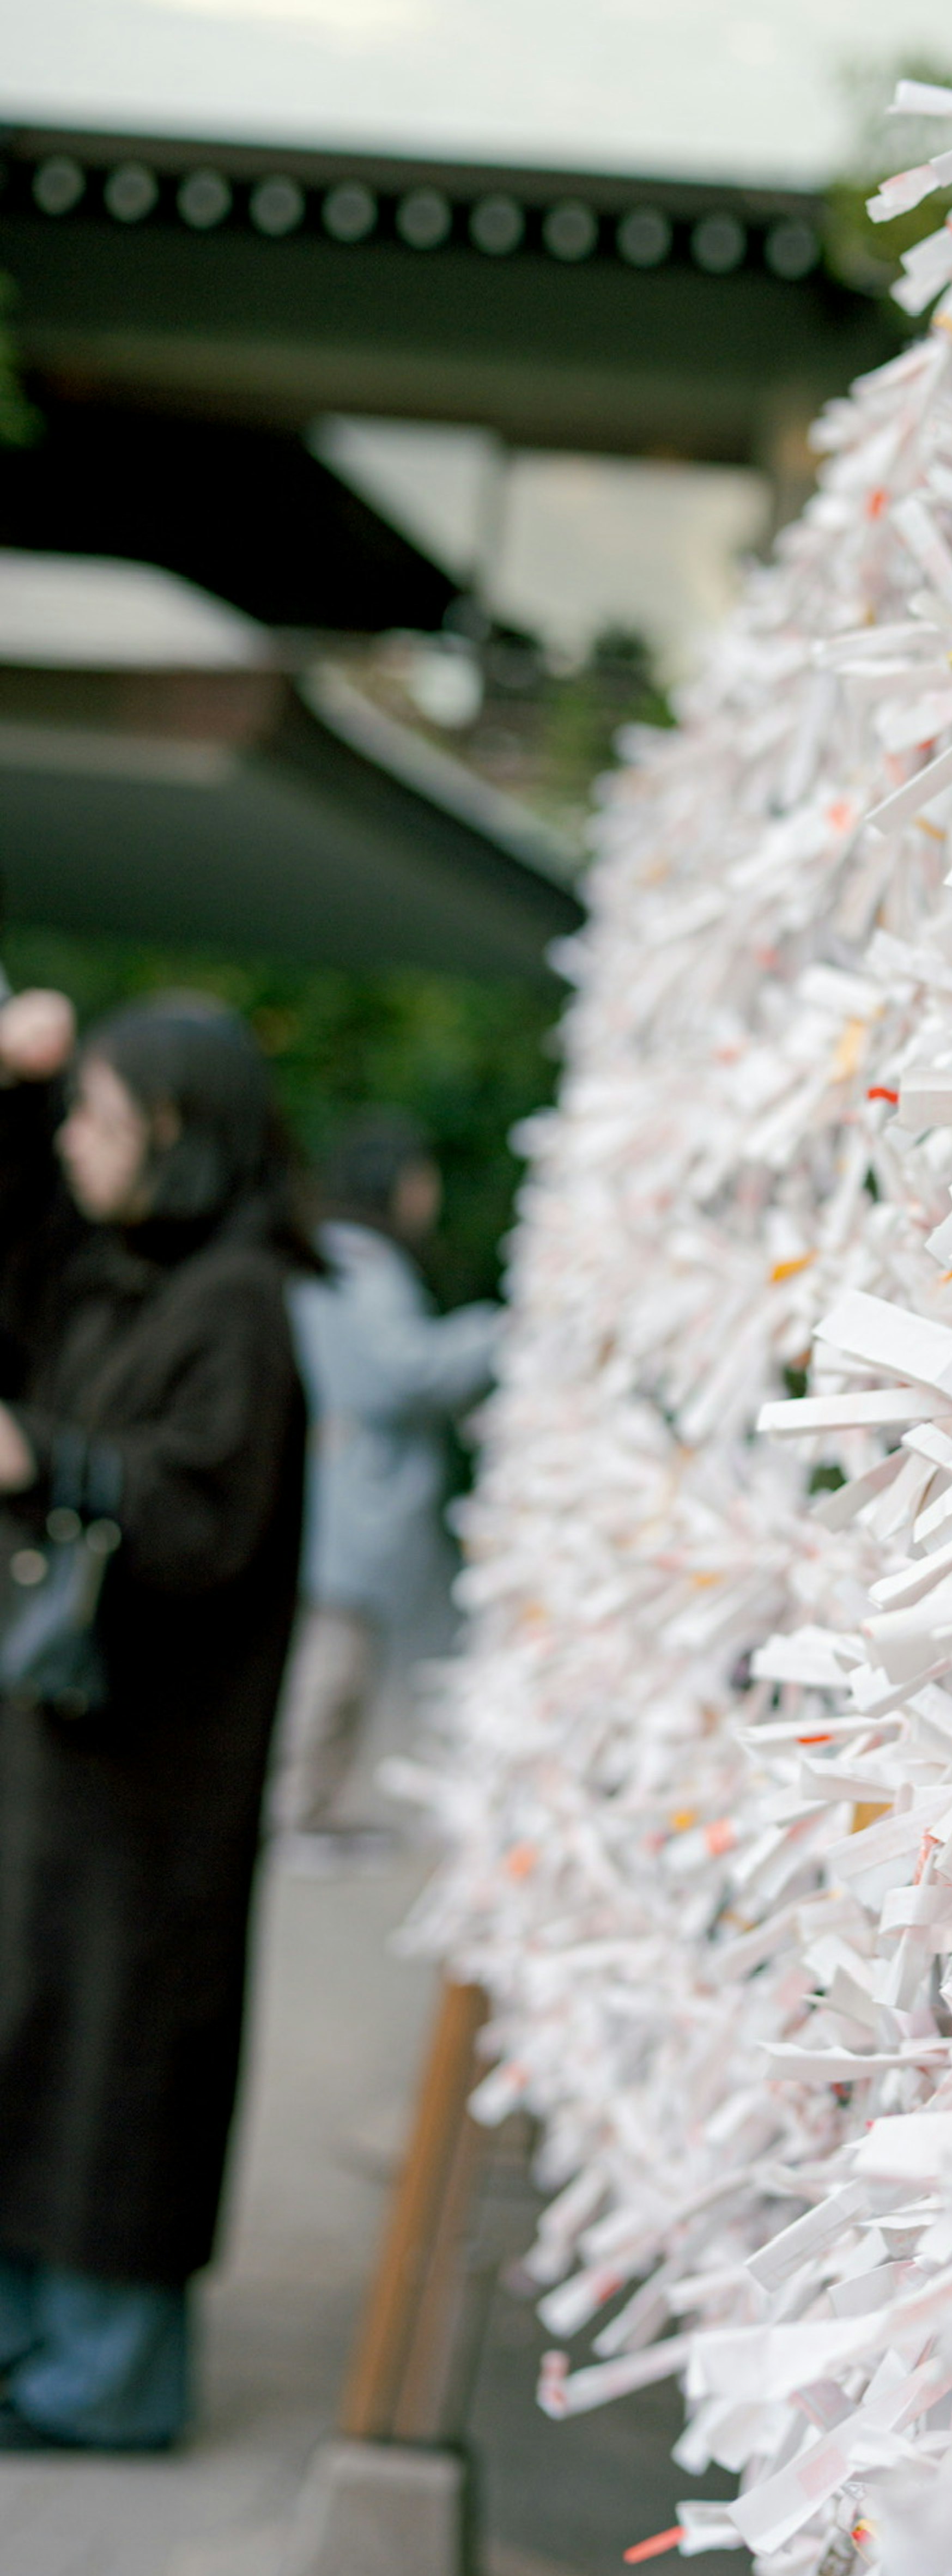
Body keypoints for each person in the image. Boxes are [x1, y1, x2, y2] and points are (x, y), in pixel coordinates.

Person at [0, 989, 312, 2450]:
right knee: (44, 2045)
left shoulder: (238, 1304)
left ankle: (106, 2385)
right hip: (79, 1763)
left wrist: (45, 1459)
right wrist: (27, 1078)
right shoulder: (133, 1268)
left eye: (101, 1119)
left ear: (173, 1136)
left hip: (157, 1779)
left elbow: (206, 1523)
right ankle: (45, 2358)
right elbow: (23, 1227)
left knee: (120, 2065)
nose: (75, 1144)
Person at [269, 1111, 500, 1850]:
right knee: (331, 1662)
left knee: (339, 1658)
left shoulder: (336, 1257)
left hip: (338, 1486)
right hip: (351, 1493)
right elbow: (404, 1370)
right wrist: (494, 1330)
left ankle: (314, 1807)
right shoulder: (365, 1265)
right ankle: (296, 1812)